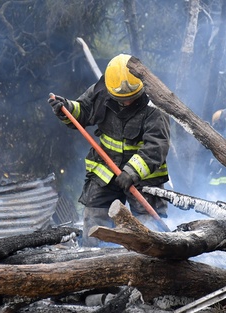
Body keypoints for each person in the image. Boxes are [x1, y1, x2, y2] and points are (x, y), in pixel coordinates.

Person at [49, 53, 170, 246]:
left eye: (132, 98)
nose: (127, 103)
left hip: (143, 178)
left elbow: (156, 146)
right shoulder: (102, 90)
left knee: (149, 230)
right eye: (122, 99)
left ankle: (149, 263)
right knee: (95, 220)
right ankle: (92, 262)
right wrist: (66, 108)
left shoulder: (154, 107)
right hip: (105, 170)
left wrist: (132, 172)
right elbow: (83, 111)